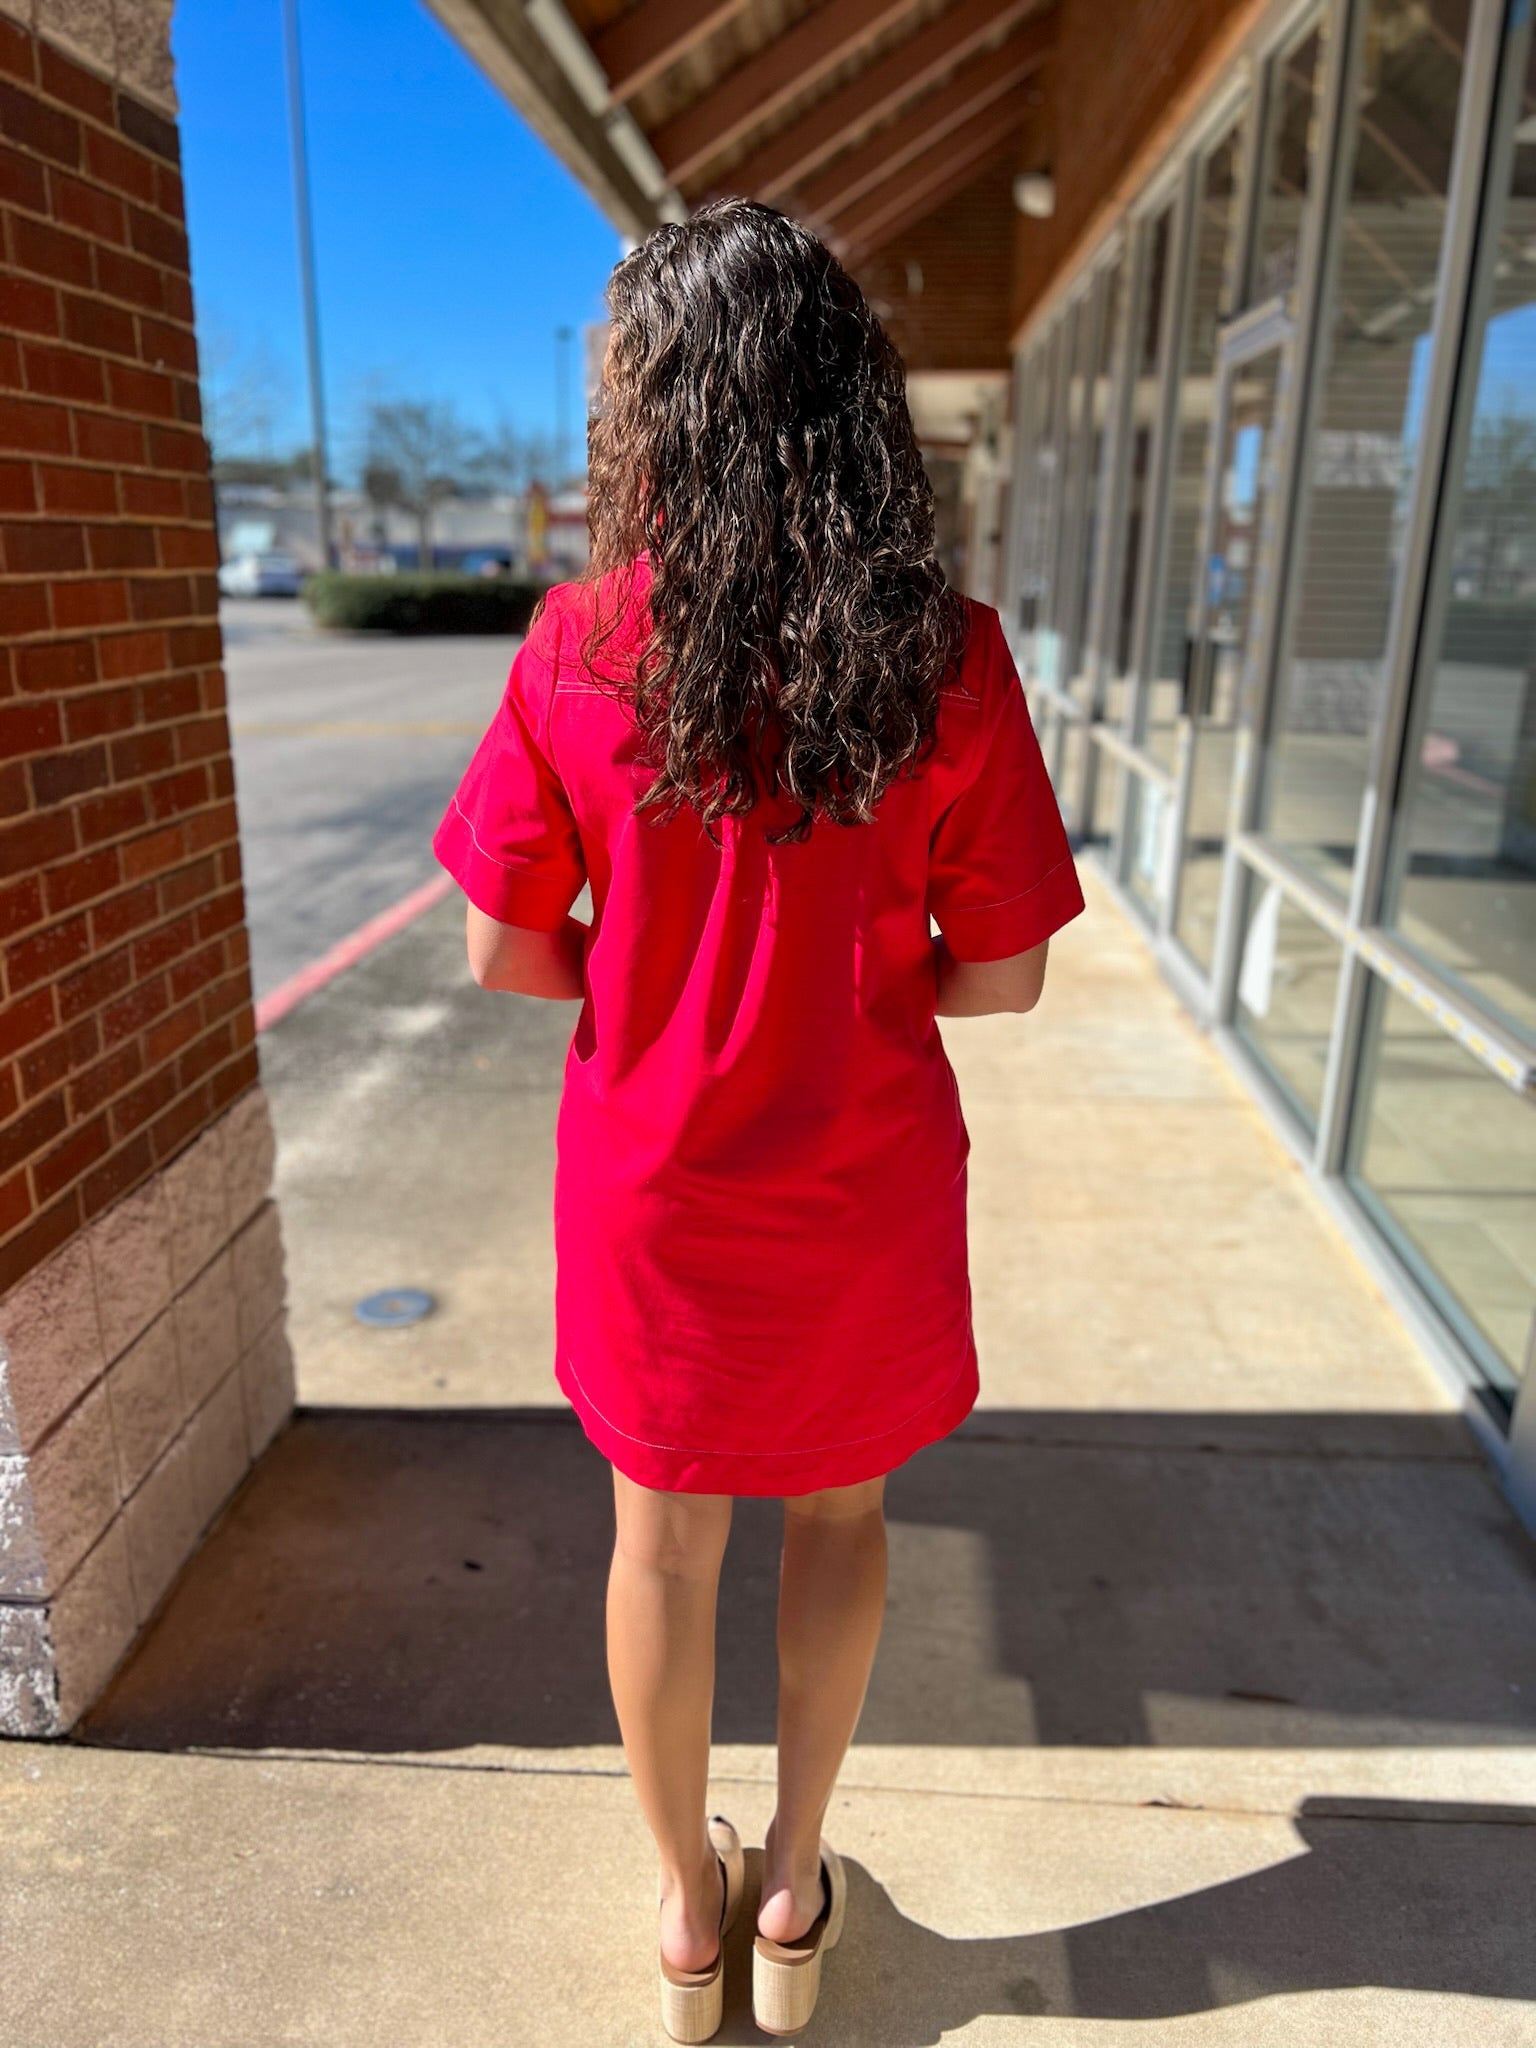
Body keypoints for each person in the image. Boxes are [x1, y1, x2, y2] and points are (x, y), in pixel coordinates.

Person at [431, 197, 1085, 2041]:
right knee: (842, 1519)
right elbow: (1010, 974)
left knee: (661, 1538)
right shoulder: (946, 657)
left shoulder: (581, 644)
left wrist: (646, 983)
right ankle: (795, 1877)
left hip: (657, 1184)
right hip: (863, 1180)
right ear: (848, 404)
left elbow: (503, 950)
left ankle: (683, 1920)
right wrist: (865, 1001)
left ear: (659, 414)